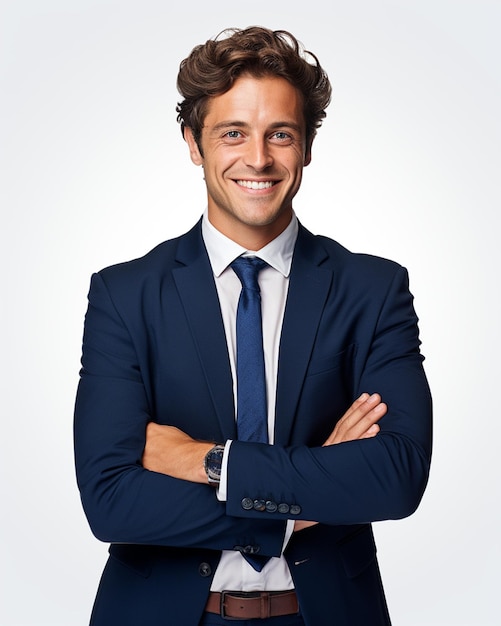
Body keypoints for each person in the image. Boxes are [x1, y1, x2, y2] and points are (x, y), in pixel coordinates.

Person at [74, 26, 432, 626]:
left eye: (281, 134)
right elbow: (111, 502)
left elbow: (395, 477)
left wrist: (213, 463)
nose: (259, 158)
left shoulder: (372, 290)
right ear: (194, 142)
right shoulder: (125, 293)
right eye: (232, 133)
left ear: (308, 146)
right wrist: (310, 492)